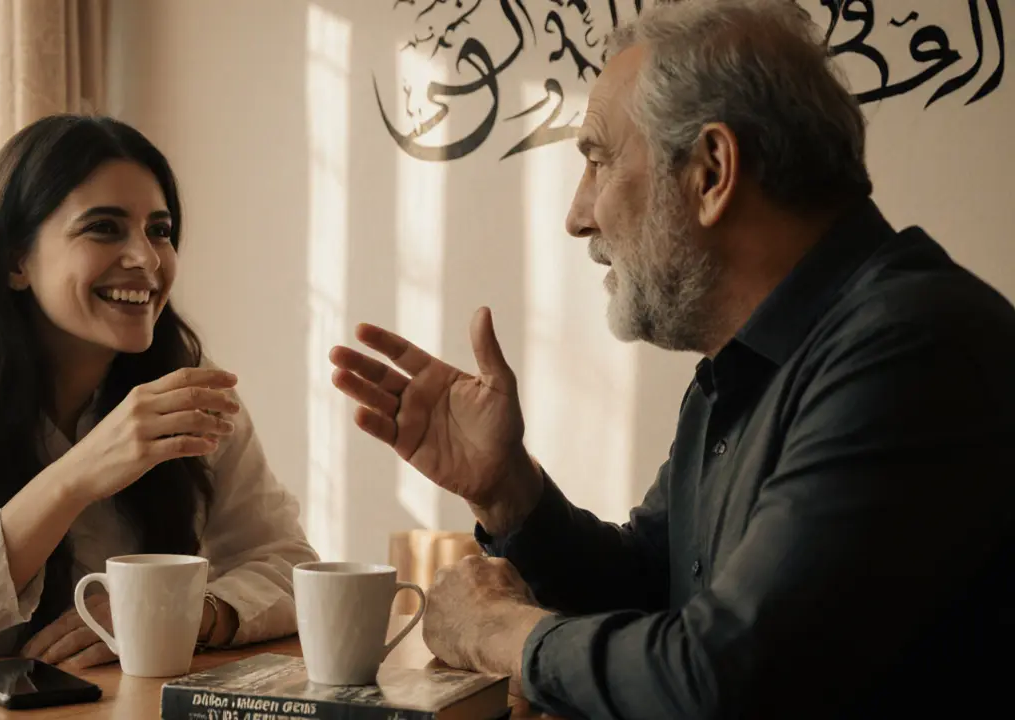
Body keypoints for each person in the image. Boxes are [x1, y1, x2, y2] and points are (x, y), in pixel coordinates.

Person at [330, 1, 1015, 717]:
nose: (577, 213)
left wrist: (504, 634)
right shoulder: (746, 366)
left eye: (597, 160)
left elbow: (722, 680)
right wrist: (508, 491)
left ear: (712, 171)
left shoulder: (912, 349)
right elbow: (656, 589)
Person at [0, 115, 318, 679]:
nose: (145, 258)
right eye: (104, 228)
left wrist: (190, 612)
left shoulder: (187, 388)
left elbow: (288, 563)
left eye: (159, 230)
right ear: (16, 260)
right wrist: (72, 479)